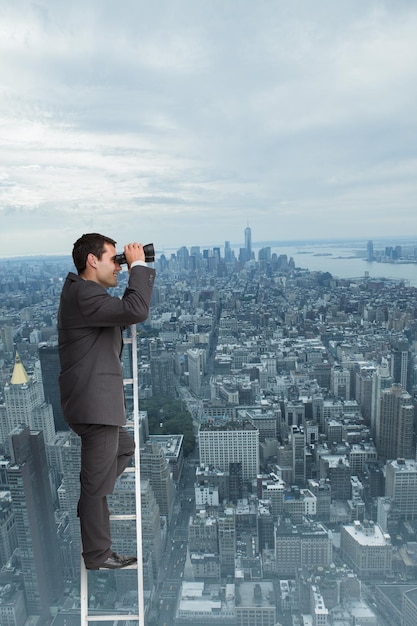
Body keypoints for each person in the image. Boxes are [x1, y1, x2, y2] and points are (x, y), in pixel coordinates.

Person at [58, 233, 155, 570]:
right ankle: (97, 554)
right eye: (113, 258)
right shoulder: (85, 293)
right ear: (92, 261)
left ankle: (92, 499)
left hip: (94, 404)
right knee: (96, 483)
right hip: (95, 406)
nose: (118, 265)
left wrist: (129, 267)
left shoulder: (82, 292)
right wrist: (138, 265)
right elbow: (136, 310)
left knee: (124, 448)